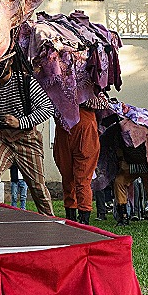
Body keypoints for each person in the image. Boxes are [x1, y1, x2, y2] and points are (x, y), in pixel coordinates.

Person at [0, 60, 55, 216]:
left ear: (10, 61)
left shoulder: (26, 82)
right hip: (2, 137)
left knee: (37, 186)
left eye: (2, 62)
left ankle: (50, 222)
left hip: (26, 138)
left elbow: (47, 108)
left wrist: (21, 122)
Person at [53, 95, 104, 224]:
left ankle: (74, 216)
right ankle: (82, 219)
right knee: (81, 177)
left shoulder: (58, 85)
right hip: (80, 124)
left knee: (70, 177)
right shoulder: (89, 86)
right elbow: (101, 103)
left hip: (67, 123)